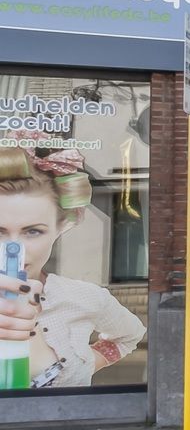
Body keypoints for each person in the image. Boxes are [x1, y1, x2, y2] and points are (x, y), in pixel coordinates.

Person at [0, 148, 146, 389]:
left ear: (61, 227)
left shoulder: (84, 297)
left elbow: (130, 334)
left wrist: (89, 364)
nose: (15, 249)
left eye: (33, 231)